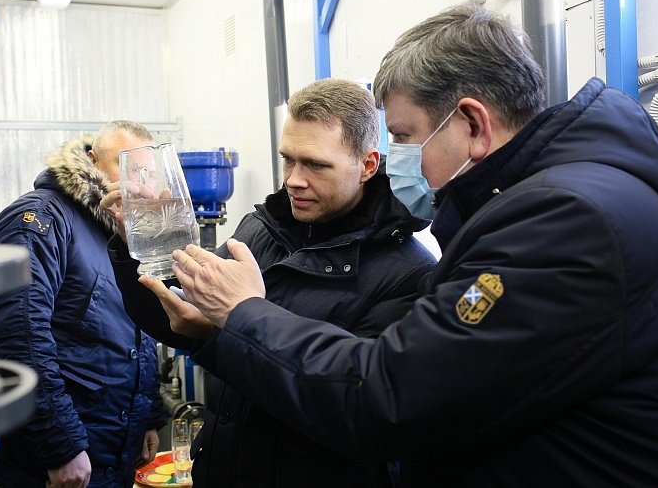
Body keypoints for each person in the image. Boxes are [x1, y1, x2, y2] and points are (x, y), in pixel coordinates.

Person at [152, 3, 658, 486]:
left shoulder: (562, 221)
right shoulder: (547, 204)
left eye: (406, 136)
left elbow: (390, 398)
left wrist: (247, 312)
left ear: (472, 125)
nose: (399, 159)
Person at [102, 78, 437, 487]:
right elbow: (174, 315)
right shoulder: (259, 231)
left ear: (367, 165)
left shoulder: (409, 276)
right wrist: (135, 249)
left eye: (315, 164)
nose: (295, 179)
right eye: (288, 160)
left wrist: (230, 328)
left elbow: (356, 412)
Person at [0, 121, 165, 488]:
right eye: (127, 167)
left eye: (148, 172)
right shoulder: (39, 220)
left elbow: (136, 331)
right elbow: (17, 337)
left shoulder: (122, 231)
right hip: (57, 462)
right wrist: (59, 446)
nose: (140, 183)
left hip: (113, 451)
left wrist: (150, 415)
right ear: (91, 161)